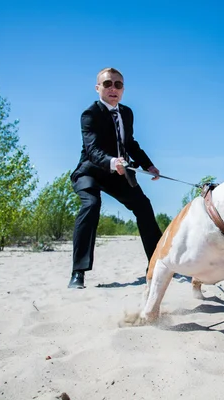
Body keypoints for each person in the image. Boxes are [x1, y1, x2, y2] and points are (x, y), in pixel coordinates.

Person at [68, 67, 163, 289]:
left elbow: (130, 143)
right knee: (91, 205)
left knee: (144, 206)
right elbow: (92, 150)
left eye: (118, 85)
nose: (113, 89)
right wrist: (113, 162)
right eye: (108, 84)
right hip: (89, 171)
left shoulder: (127, 113)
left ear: (123, 89)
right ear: (98, 88)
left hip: (119, 173)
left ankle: (157, 263)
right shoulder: (89, 114)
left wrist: (149, 165)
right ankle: (78, 273)